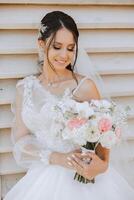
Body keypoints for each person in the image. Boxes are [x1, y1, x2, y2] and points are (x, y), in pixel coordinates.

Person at [4, 11, 134, 200]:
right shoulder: (25, 88)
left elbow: (103, 146)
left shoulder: (84, 87)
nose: (64, 55)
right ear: (41, 44)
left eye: (71, 48)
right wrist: (55, 158)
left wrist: (100, 166)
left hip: (83, 179)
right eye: (57, 47)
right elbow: (21, 141)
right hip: (43, 178)